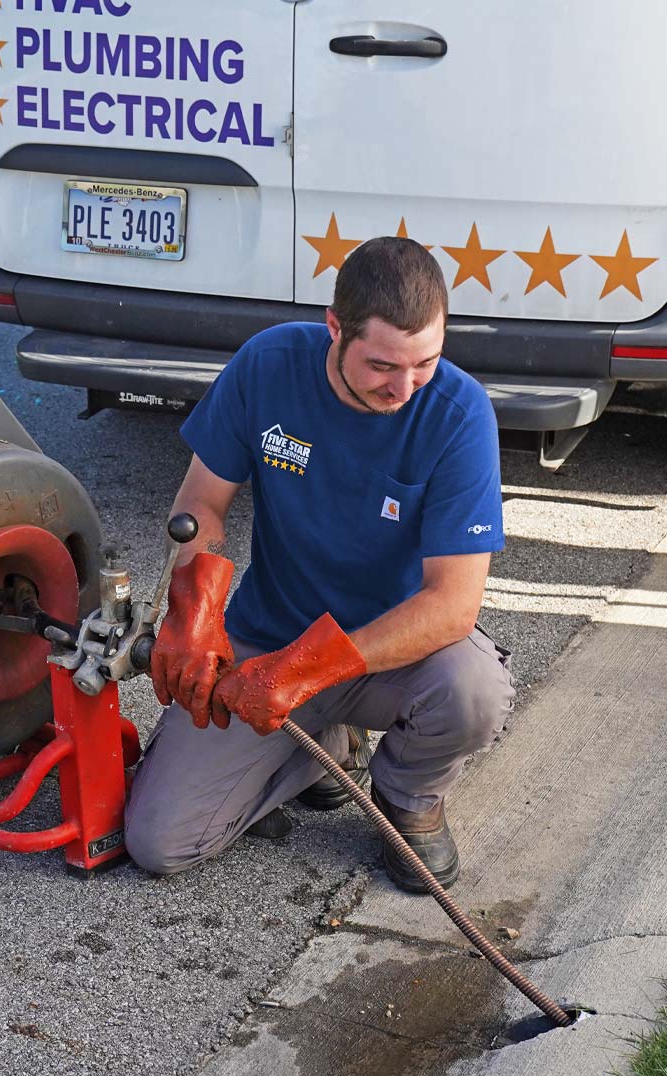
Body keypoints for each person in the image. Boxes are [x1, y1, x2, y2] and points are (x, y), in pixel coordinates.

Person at [124, 237, 515, 893]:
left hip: (391, 654)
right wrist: (193, 613)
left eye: (425, 362)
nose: (405, 385)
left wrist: (304, 671)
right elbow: (200, 502)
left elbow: (452, 605)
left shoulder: (457, 412)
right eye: (384, 365)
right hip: (269, 638)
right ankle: (320, 753)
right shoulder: (267, 364)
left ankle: (406, 795)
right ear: (334, 327)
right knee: (159, 841)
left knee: (473, 691)